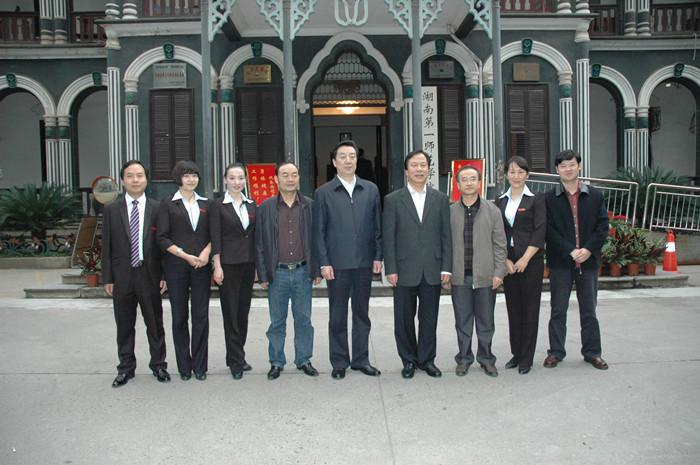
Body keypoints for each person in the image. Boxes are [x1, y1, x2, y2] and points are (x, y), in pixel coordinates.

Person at [313, 139, 383, 380]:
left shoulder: (370, 189)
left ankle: (361, 360)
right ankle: (340, 361)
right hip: (337, 265)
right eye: (342, 156)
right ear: (334, 162)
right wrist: (324, 262)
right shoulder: (323, 193)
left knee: (362, 314)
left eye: (352, 156)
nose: (347, 160)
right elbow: (319, 231)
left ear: (357, 160)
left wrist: (378, 255)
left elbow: (377, 226)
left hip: (364, 263)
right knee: (338, 316)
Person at [383, 150, 452, 379]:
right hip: (403, 270)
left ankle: (427, 360)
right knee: (403, 319)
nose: (419, 169)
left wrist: (446, 267)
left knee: (429, 318)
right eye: (414, 165)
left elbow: (446, 236)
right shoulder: (393, 200)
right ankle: (409, 360)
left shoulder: (440, 199)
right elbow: (389, 237)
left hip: (432, 268)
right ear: (406, 170)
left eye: (423, 165)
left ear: (428, 169)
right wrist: (391, 269)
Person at [102, 160, 169, 388]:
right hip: (122, 276)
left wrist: (163, 275)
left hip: (149, 274)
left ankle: (159, 365)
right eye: (130, 176)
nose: (135, 180)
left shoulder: (157, 208)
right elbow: (106, 246)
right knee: (124, 325)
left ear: (146, 180)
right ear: (122, 181)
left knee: (155, 324)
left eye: (139, 175)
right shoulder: (111, 210)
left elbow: (163, 246)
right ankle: (125, 368)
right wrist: (108, 278)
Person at [255, 161, 322, 380]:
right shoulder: (266, 207)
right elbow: (259, 243)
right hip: (278, 274)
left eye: (294, 174)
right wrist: (263, 274)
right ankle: (276, 362)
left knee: (304, 320)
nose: (290, 179)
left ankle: (303, 360)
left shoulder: (310, 206)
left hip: (303, 272)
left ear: (299, 177)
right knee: (277, 322)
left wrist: (316, 269)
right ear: (276, 179)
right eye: (285, 175)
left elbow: (317, 239)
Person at [543, 150, 609, 370]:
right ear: (557, 170)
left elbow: (602, 226)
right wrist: (570, 250)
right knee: (558, 310)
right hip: (561, 263)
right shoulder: (549, 198)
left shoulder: (595, 196)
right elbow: (549, 230)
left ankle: (592, 353)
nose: (568, 169)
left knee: (589, 311)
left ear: (579, 166)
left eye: (572, 164)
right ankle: (555, 352)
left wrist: (588, 249)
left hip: (588, 263)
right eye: (563, 166)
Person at [448, 165, 507, 378]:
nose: (469, 183)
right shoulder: (450, 211)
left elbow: (500, 244)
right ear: (457, 184)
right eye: (464, 179)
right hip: (459, 276)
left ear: (479, 182)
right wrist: (446, 273)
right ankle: (464, 359)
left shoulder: (492, 211)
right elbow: (444, 245)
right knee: (462, 322)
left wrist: (499, 272)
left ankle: (486, 358)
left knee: (486, 321)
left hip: (485, 276)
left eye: (473, 178)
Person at [157, 160, 212, 381]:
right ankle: (184, 366)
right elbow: (162, 237)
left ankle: (200, 366)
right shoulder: (167, 204)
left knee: (200, 317)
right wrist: (185, 255)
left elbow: (214, 234)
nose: (191, 179)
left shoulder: (206, 204)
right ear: (178, 178)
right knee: (179, 317)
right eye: (186, 175)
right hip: (176, 267)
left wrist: (206, 253)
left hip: (201, 267)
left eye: (194, 175)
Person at [495, 156, 546, 375]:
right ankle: (516, 353)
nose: (516, 176)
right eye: (512, 172)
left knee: (530, 309)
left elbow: (540, 230)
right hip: (509, 262)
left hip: (530, 261)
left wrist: (525, 258)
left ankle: (527, 358)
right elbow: (497, 233)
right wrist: (505, 259)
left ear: (527, 174)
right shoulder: (500, 200)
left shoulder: (537, 199)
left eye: (520, 172)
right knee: (513, 309)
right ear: (506, 174)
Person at [210, 163, 256, 380]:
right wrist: (217, 265)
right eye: (232, 178)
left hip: (248, 265)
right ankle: (236, 362)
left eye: (240, 178)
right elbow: (215, 237)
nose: (237, 182)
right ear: (225, 180)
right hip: (228, 266)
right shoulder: (218, 206)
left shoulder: (252, 205)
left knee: (242, 314)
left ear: (245, 180)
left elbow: (255, 238)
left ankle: (237, 355)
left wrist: (257, 267)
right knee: (230, 314)